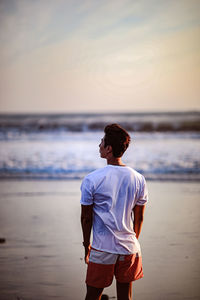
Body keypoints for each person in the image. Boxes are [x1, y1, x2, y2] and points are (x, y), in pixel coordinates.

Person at [80, 124, 148, 300]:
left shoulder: (92, 179)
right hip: (129, 247)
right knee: (125, 297)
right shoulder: (139, 179)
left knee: (92, 296)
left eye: (102, 142)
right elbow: (139, 218)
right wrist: (131, 241)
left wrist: (86, 244)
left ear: (109, 149)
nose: (99, 145)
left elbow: (86, 218)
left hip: (103, 248)